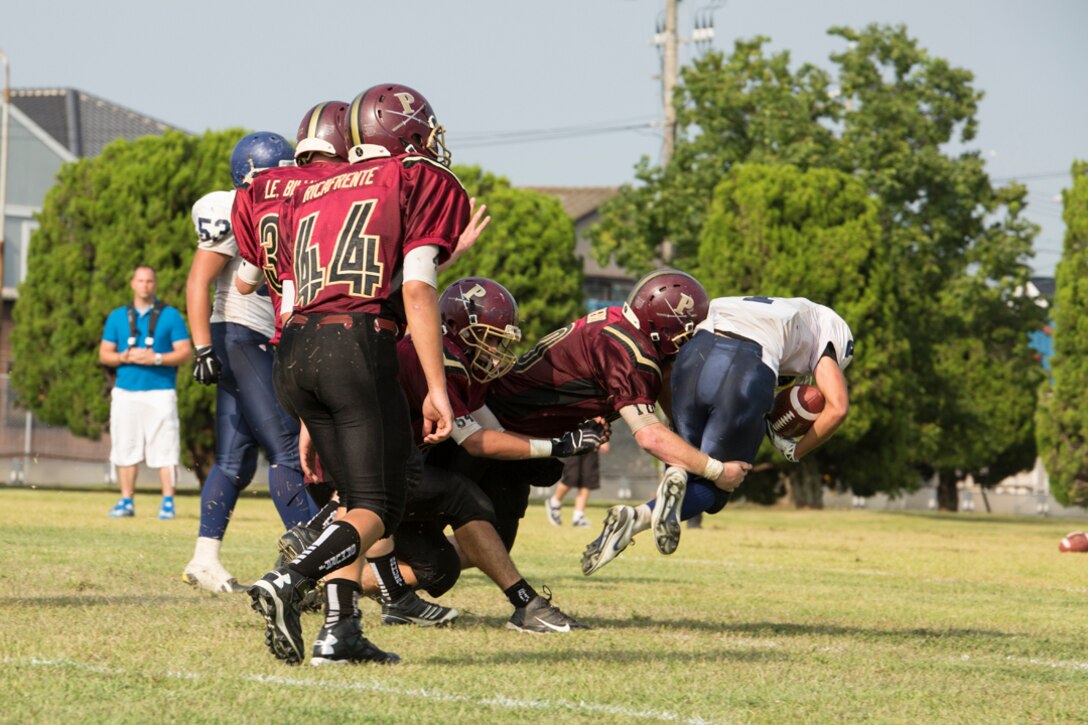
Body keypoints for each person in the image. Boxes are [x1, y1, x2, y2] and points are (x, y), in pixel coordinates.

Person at [247, 83, 467, 667]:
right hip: (354, 345)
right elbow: (417, 290)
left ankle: (341, 631)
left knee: (352, 499)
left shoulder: (309, 186)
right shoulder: (414, 178)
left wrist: (306, 416)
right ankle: (290, 579)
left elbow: (286, 295)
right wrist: (438, 390)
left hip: (294, 348)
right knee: (381, 505)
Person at [355, 277, 600, 633]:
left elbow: (495, 430)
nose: (497, 347)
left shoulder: (466, 363)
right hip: (368, 469)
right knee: (464, 498)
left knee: (437, 568)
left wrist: (555, 440)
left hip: (393, 472)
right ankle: (525, 603)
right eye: (491, 336)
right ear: (457, 326)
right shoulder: (435, 356)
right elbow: (475, 441)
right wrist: (557, 446)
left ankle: (320, 582)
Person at [463, 269, 750, 563]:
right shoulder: (630, 353)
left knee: (492, 546)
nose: (690, 344)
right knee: (449, 541)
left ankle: (418, 585)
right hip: (494, 430)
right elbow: (649, 435)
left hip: (514, 430)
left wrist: (685, 445)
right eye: (687, 333)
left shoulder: (621, 324)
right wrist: (715, 469)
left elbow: (664, 376)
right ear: (664, 329)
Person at [582, 295, 854, 574]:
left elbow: (666, 370)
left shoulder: (767, 307)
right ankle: (638, 518)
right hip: (747, 366)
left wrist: (677, 433)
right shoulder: (827, 331)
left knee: (688, 460)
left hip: (693, 356)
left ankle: (671, 479)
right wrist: (794, 450)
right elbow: (837, 408)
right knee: (721, 483)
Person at [181, 134, 321, 594]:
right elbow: (198, 281)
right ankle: (312, 564)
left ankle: (204, 558)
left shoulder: (275, 209)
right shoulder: (230, 207)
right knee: (286, 450)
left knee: (234, 461)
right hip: (239, 336)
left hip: (250, 338)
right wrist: (203, 347)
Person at [99, 265, 192, 520]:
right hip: (126, 392)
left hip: (160, 392)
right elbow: (104, 353)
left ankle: (168, 502)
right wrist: (123, 355)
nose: (145, 285)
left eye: (149, 281)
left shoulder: (171, 316)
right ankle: (126, 500)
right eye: (140, 280)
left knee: (166, 448)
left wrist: (157, 358)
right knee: (124, 446)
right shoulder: (118, 316)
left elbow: (185, 352)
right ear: (132, 284)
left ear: (155, 284)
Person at [545, 441, 609, 528]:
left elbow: (603, 426)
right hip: (575, 439)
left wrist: (604, 440)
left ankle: (578, 516)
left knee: (587, 479)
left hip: (592, 441)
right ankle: (554, 503)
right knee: (571, 476)